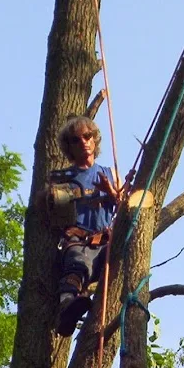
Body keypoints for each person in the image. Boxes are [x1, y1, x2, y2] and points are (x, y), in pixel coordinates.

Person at [47, 116, 120, 336]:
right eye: (76, 140)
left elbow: (127, 207)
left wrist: (112, 193)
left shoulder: (110, 173)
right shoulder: (62, 177)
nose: (83, 143)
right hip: (79, 241)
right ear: (69, 146)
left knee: (123, 260)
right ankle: (67, 306)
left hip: (105, 242)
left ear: (95, 139)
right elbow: (47, 206)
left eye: (87, 136)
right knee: (78, 264)